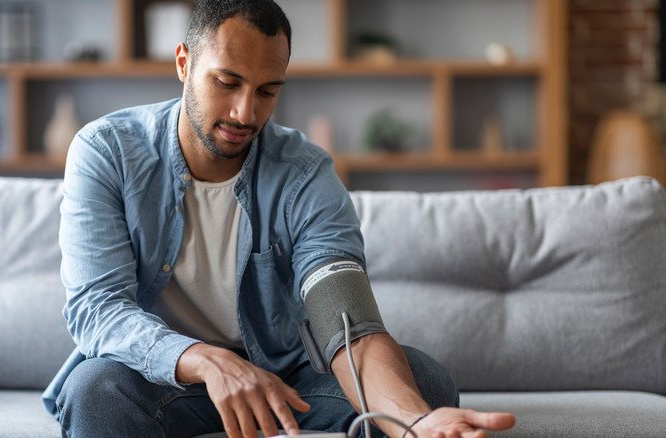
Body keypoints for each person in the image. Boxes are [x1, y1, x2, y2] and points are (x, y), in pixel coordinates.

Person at [42, 1, 517, 437]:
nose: (245, 113)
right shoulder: (106, 151)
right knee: (96, 391)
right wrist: (208, 362)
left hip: (281, 379)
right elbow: (97, 308)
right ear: (184, 63)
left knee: (425, 385)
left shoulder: (305, 173)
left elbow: (346, 320)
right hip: (160, 378)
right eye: (227, 83)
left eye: (267, 91)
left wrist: (416, 422)